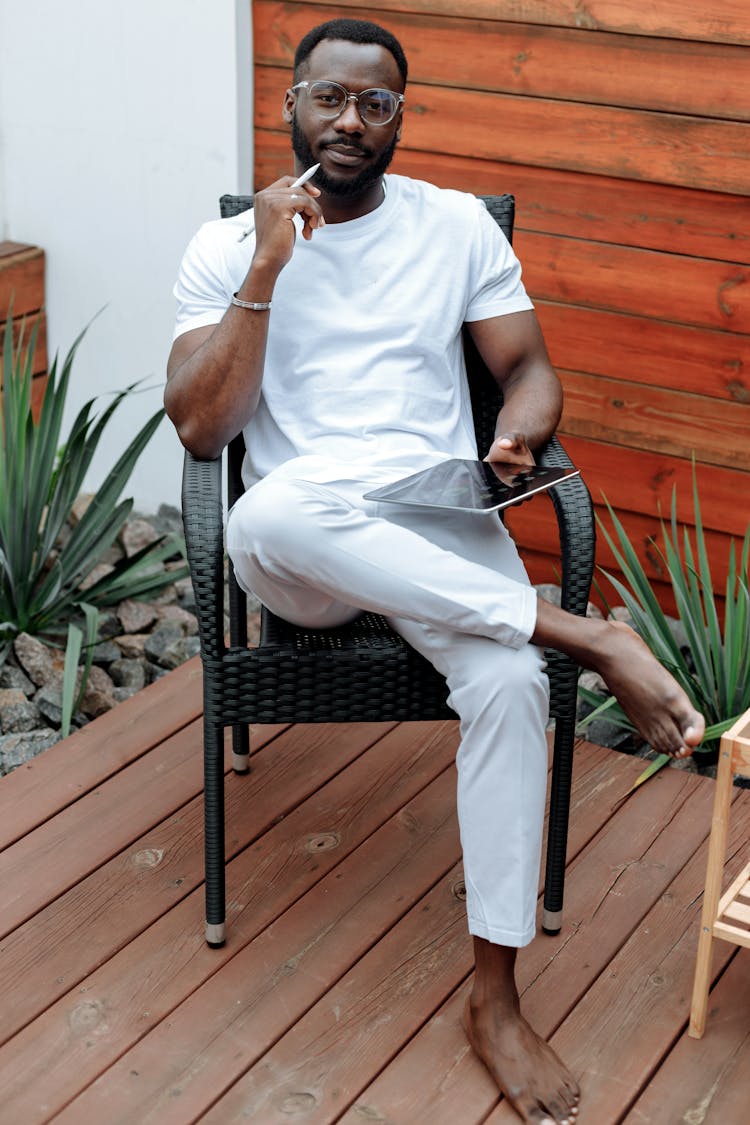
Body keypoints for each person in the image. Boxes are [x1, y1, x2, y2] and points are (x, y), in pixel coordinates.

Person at [165, 18, 704, 1125]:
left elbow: (530, 367)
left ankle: (494, 995)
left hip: (433, 522)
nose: (350, 123)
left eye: (376, 104)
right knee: (268, 511)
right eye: (329, 99)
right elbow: (202, 432)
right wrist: (268, 262)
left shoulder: (455, 227)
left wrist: (515, 431)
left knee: (506, 687)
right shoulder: (226, 248)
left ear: (401, 117)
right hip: (309, 545)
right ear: (290, 107)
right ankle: (580, 631)